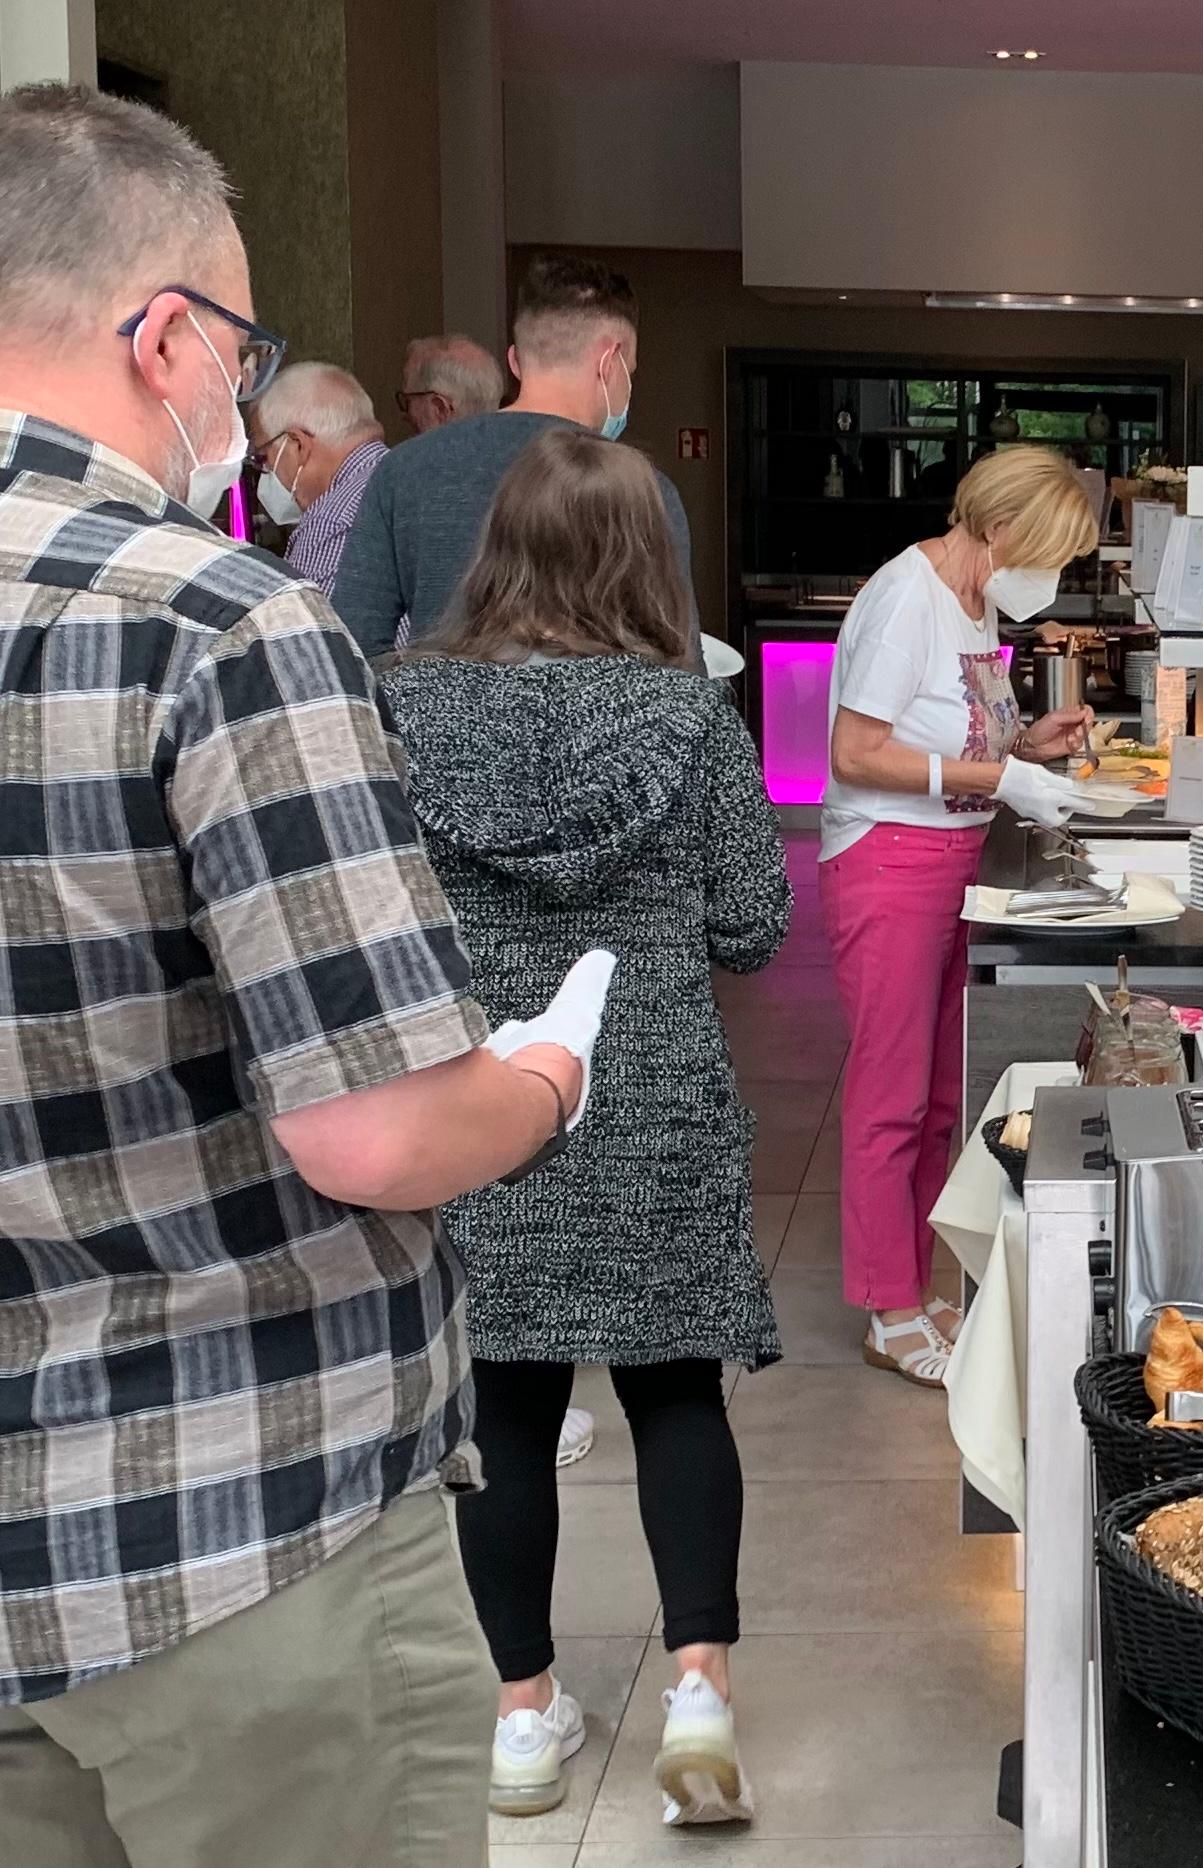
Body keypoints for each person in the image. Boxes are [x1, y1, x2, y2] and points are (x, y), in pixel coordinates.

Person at [0, 83, 597, 1868]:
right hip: (231, 1520)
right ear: (164, 335)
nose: (242, 403)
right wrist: (549, 1071)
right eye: (241, 351)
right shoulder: (210, 618)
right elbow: (377, 1133)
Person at [380, 425, 789, 1827]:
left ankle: (518, 1719)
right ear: (642, 562)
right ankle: (698, 1694)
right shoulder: (688, 719)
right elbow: (750, 923)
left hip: (485, 1090)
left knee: (504, 1401)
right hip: (653, 1086)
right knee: (676, 1390)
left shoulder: (402, 711)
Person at [822, 446, 1099, 1384]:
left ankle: (910, 1280)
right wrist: (1000, 777)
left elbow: (952, 733)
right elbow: (856, 754)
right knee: (888, 1096)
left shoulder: (975, 602)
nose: (1051, 580)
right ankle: (883, 1305)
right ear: (1000, 526)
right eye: (1050, 555)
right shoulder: (909, 597)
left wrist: (1025, 745)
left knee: (941, 1095)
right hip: (889, 863)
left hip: (954, 857)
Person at [334, 255, 692, 660]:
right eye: (631, 370)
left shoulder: (404, 469)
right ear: (611, 363)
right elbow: (680, 664)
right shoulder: (645, 492)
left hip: (436, 720)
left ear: (515, 361)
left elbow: (352, 647)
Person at [245, 358, 386, 593]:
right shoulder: (416, 478)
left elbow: (305, 628)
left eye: (263, 457)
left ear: (298, 444)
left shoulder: (331, 525)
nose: (265, 471)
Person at [399, 331, 504, 433]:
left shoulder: (412, 451)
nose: (403, 416)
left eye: (407, 402)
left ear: (440, 409)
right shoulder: (517, 449)